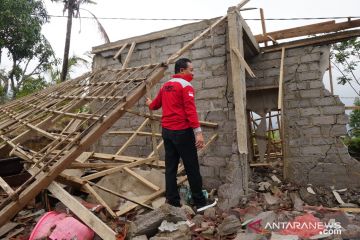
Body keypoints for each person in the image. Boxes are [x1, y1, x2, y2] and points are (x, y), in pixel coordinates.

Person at [146, 58, 208, 209]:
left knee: (171, 167)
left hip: (167, 132)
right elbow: (190, 111)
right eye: (191, 70)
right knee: (191, 167)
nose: (193, 73)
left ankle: (172, 201)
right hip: (182, 132)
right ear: (182, 70)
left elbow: (155, 105)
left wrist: (149, 103)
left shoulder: (165, 86)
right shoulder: (186, 86)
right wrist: (198, 133)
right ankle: (200, 203)